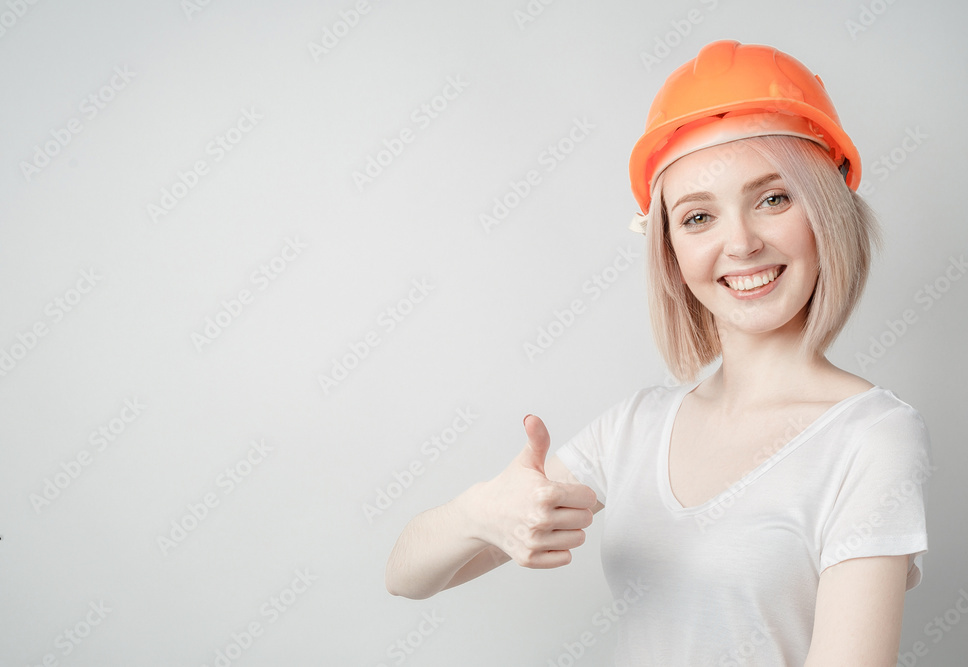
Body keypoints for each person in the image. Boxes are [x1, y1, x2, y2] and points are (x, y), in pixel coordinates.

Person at [385, 40, 931, 666]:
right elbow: (405, 576)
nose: (741, 243)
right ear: (669, 250)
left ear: (828, 212)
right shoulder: (636, 428)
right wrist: (479, 512)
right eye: (698, 217)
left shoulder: (871, 436)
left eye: (773, 198)